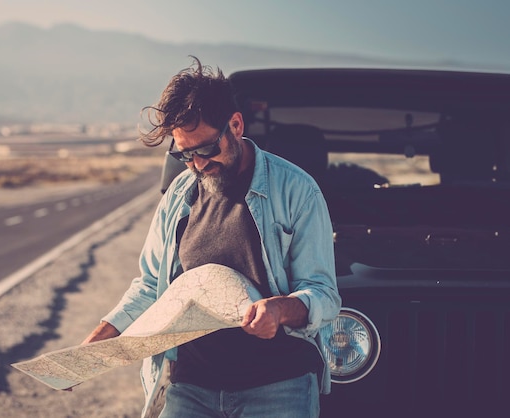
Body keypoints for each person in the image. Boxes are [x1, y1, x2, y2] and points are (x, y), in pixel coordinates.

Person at [81, 57, 341, 418]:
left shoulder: (297, 191)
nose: (198, 164)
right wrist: (98, 339)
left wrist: (279, 309)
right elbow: (149, 287)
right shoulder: (178, 197)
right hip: (190, 387)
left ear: (235, 125)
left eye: (204, 149)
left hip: (278, 386)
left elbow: (324, 296)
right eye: (184, 154)